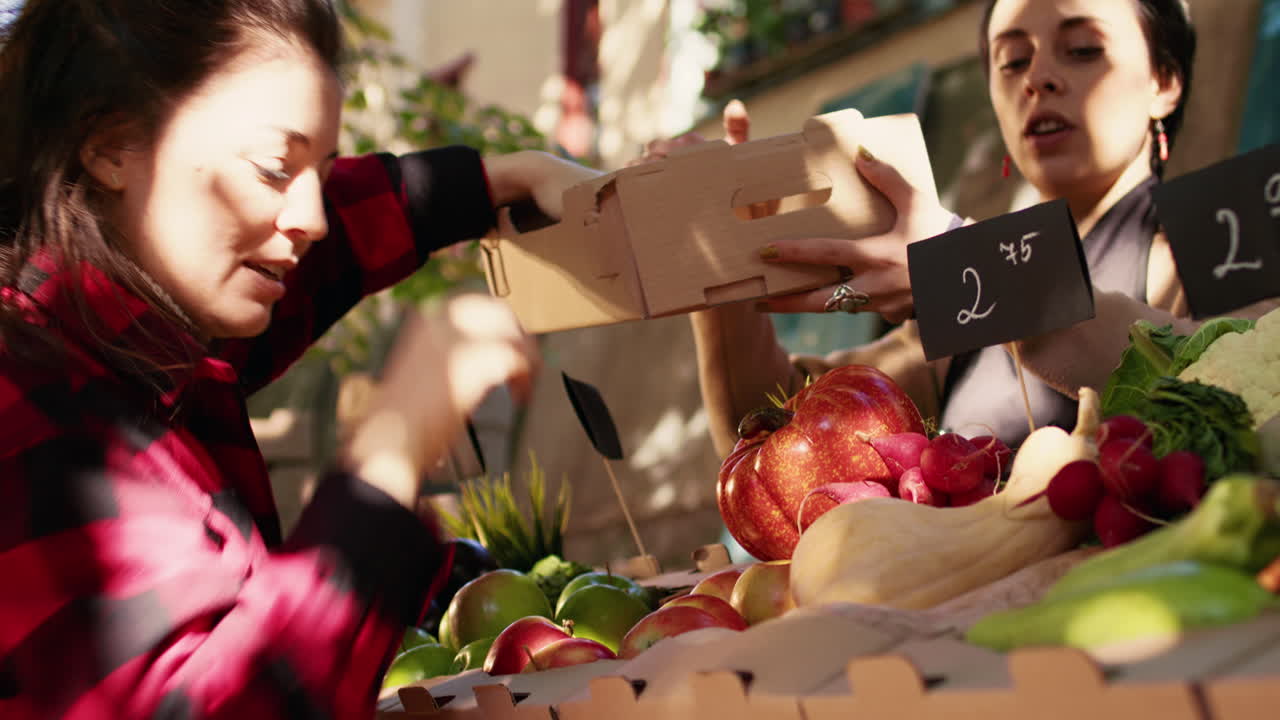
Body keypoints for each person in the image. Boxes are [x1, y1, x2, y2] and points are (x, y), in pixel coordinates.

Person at [0, 1, 599, 718]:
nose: (309, 217)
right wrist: (390, 452)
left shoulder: (138, 330)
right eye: (275, 168)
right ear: (109, 146)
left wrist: (504, 179)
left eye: (321, 167)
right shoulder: (29, 407)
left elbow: (338, 235)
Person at [673, 0, 1278, 458]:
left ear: (1164, 82)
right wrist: (721, 260)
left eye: (1082, 49)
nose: (1036, 78)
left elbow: (1244, 392)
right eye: (1012, 61)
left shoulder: (1226, 224)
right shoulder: (969, 260)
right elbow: (780, 432)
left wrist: (967, 273)